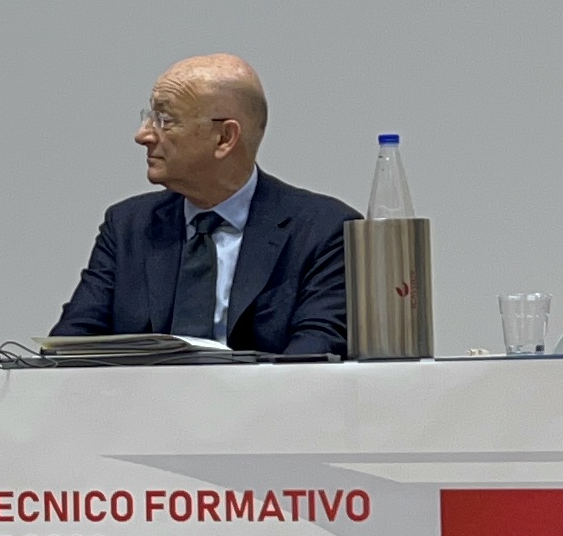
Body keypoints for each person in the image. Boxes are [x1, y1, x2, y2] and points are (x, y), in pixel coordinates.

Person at [49, 56, 355, 357]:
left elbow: (313, 355)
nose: (143, 135)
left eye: (165, 121)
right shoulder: (128, 226)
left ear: (224, 138)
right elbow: (70, 347)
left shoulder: (323, 231)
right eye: (149, 118)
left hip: (263, 391)